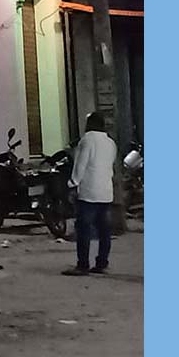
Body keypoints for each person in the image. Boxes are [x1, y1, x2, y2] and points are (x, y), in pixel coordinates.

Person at [63, 112, 118, 276]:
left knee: (84, 229)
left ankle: (83, 265)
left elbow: (80, 165)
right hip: (106, 191)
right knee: (104, 230)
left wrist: (72, 183)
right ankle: (102, 263)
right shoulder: (111, 143)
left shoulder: (87, 140)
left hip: (89, 192)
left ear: (89, 124)